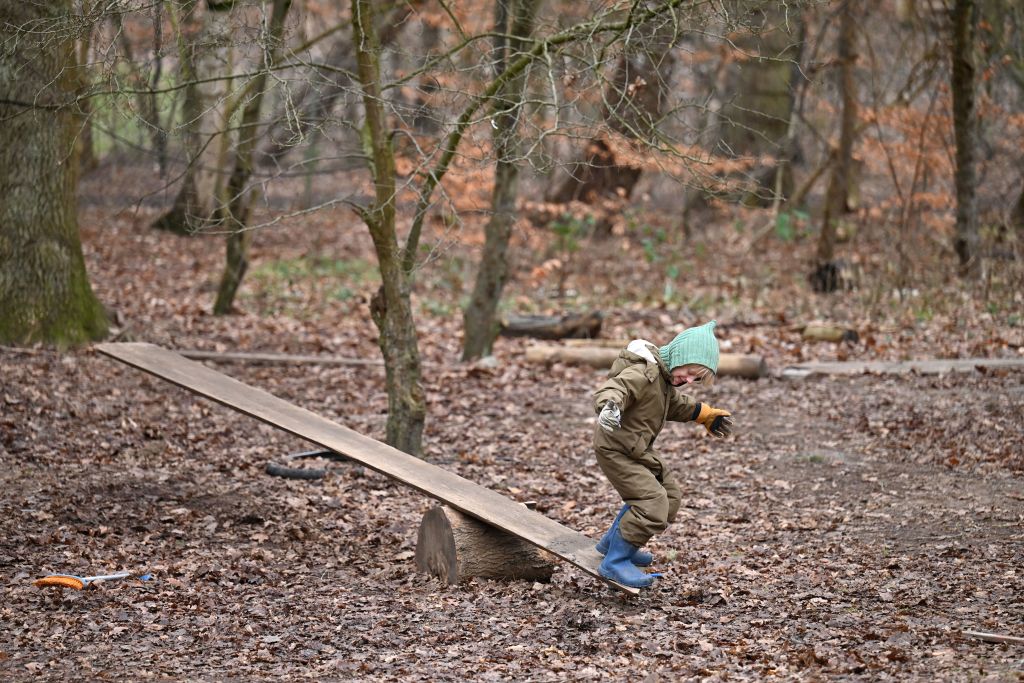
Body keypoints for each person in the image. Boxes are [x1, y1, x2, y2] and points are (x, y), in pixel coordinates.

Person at [592, 320, 733, 589]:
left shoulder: (665, 381)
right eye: (690, 372)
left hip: (637, 449)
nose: (689, 380)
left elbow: (674, 405)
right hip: (616, 449)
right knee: (652, 503)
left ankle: (613, 543)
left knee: (670, 496)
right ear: (679, 356)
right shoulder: (644, 374)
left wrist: (704, 415)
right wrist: (609, 406)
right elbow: (617, 388)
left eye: (696, 378)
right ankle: (615, 562)